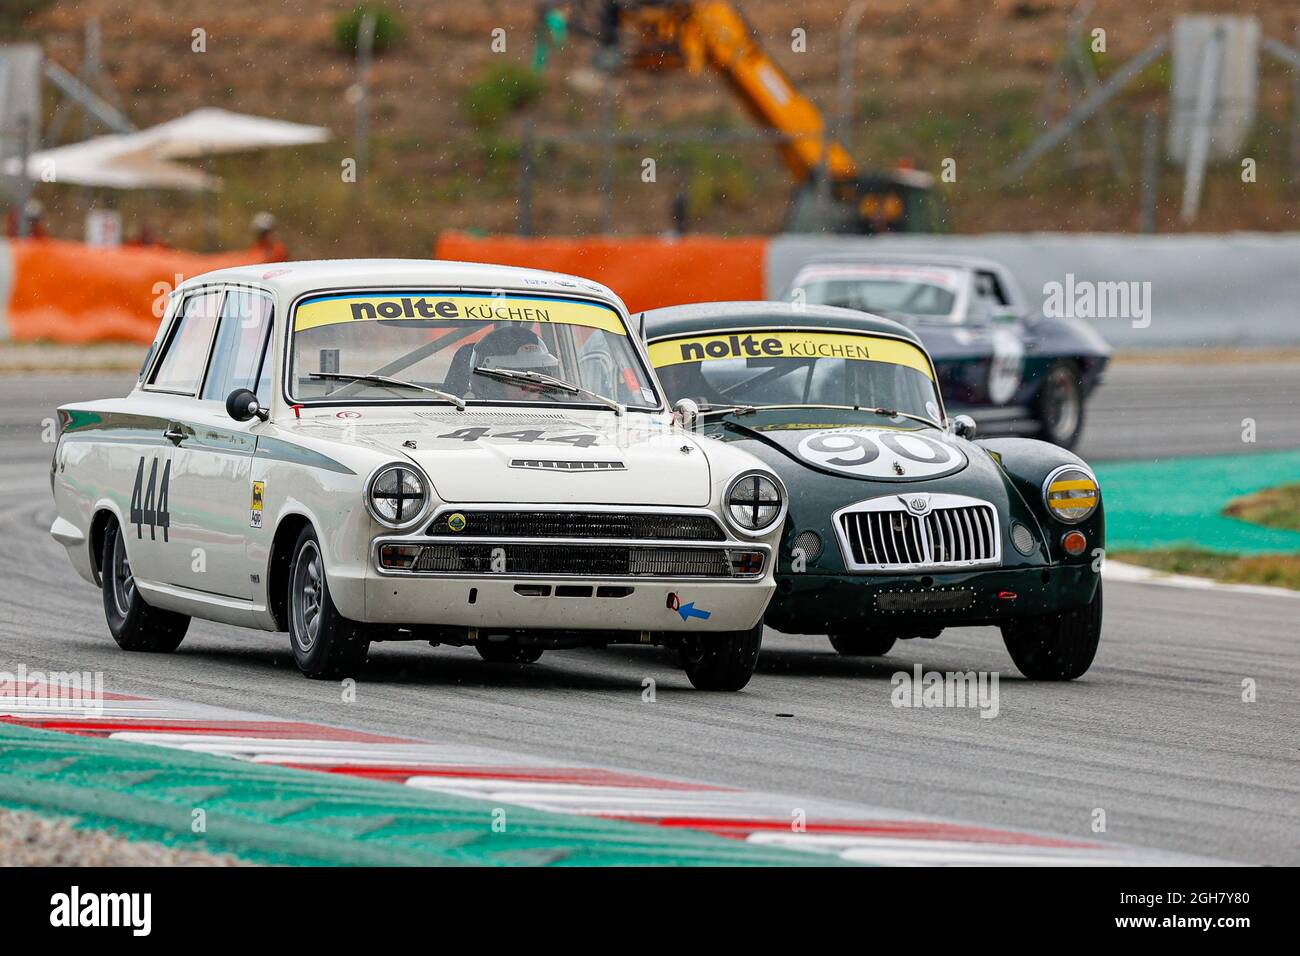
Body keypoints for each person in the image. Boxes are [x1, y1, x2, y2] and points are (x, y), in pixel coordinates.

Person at [467, 326, 563, 401]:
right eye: (519, 378)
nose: (532, 387)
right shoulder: (467, 416)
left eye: (539, 376)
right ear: (492, 386)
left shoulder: (565, 412)